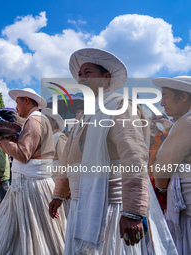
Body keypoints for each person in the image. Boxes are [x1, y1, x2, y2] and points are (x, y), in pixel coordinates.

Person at [49, 48, 177, 254]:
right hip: (82, 202)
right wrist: (59, 194)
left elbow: (134, 156)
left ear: (106, 76)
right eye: (79, 74)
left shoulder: (119, 105)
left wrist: (133, 211)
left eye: (88, 72)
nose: (81, 77)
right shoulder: (87, 114)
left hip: (110, 206)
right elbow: (69, 158)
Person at [0, 88, 66, 255]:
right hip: (32, 182)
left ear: (26, 100)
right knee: (32, 230)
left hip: (31, 185)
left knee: (32, 230)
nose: (16, 107)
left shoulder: (34, 120)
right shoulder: (36, 120)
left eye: (17, 102)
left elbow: (22, 154)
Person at [153, 76, 191, 254]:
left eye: (165, 96)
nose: (162, 103)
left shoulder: (186, 123)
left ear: (183, 97)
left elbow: (163, 167)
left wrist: (160, 188)